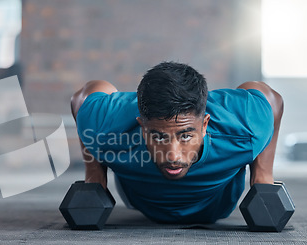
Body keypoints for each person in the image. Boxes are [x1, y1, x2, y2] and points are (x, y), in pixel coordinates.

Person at [71, 61, 283, 224]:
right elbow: (82, 98)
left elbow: (272, 99)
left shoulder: (244, 127)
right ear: (142, 127)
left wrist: (263, 175)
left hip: (215, 206)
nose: (173, 156)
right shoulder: (106, 129)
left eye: (185, 136)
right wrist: (95, 176)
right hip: (142, 202)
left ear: (204, 125)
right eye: (159, 136)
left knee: (249, 90)